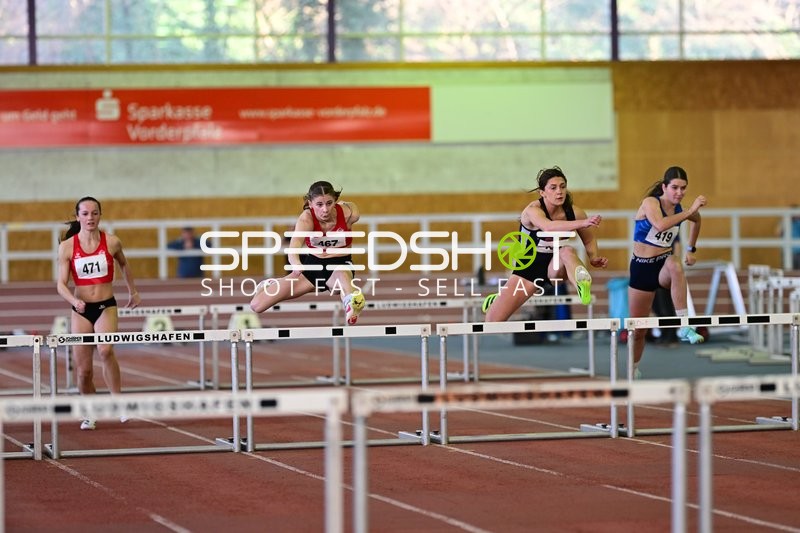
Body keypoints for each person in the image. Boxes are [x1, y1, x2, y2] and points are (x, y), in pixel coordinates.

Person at [56, 196, 142, 430]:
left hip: (106, 306)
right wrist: (74, 300)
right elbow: (60, 284)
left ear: (100, 215)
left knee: (105, 349)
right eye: (85, 214)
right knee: (84, 371)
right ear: (78, 217)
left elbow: (124, 264)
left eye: (94, 213)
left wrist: (133, 291)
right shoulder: (67, 247)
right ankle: (91, 412)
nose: (90, 218)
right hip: (81, 309)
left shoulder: (112, 242)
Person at [483, 166, 608, 322]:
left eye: (563, 187)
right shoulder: (532, 211)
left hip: (554, 267)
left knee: (567, 251)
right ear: (542, 193)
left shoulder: (575, 213)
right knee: (492, 322)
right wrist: (582, 223)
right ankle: (498, 299)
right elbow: (549, 227)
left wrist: (593, 257)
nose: (559, 192)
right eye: (553, 188)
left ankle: (582, 286)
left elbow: (588, 239)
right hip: (529, 268)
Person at [250, 181, 366, 325]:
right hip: (312, 267)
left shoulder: (349, 213)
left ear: (335, 201)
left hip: (340, 264)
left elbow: (350, 205)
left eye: (329, 203)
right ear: (310, 203)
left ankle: (352, 302)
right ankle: (273, 283)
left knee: (340, 278)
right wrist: (296, 264)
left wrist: (342, 203)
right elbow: (294, 245)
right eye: (319, 205)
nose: (325, 210)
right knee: (257, 305)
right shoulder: (306, 219)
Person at [628, 166, 707, 378]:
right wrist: (689, 212)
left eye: (683, 188)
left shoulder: (681, 209)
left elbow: (697, 221)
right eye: (674, 188)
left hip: (662, 265)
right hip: (642, 268)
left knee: (675, 263)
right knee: (638, 331)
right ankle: (633, 368)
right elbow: (661, 225)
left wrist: (691, 249)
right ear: (664, 187)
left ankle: (684, 325)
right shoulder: (651, 203)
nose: (679, 193)